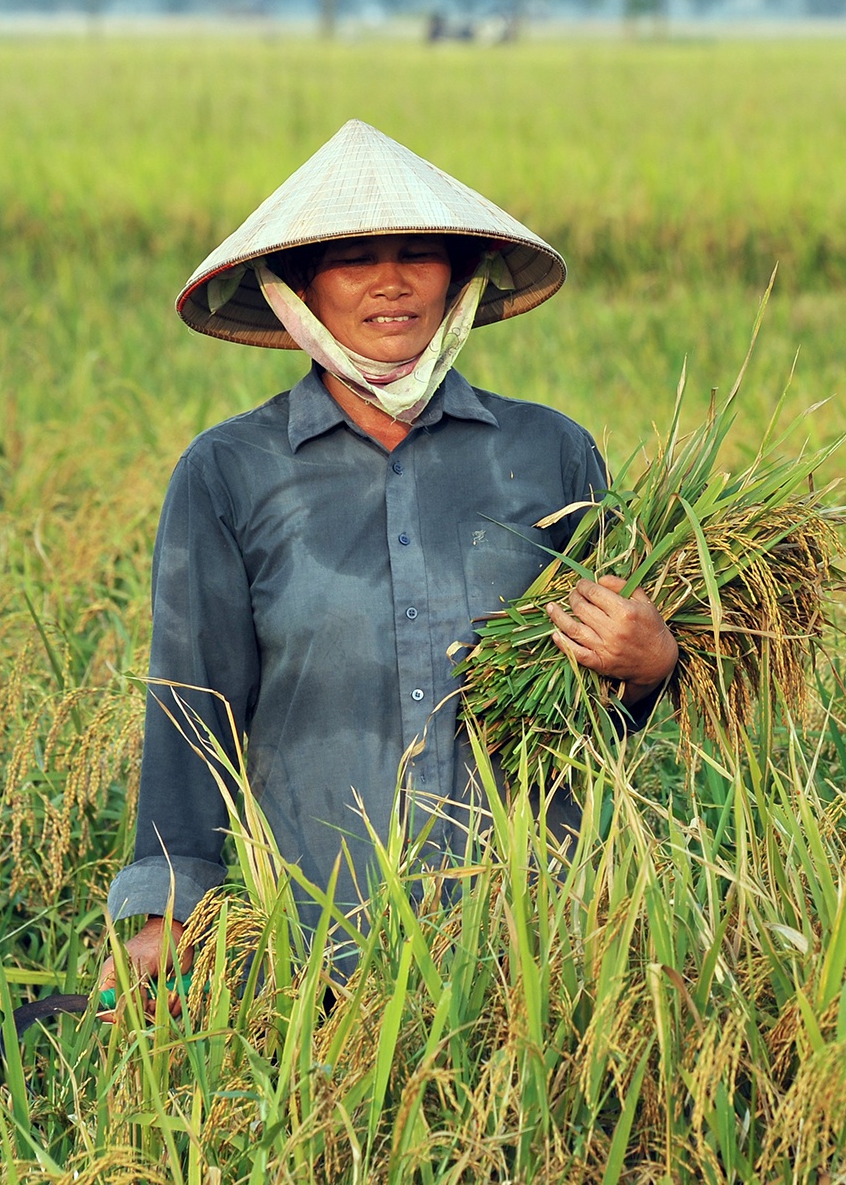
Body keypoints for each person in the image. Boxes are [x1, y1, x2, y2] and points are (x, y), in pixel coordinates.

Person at [96, 120, 680, 1002]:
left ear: (461, 278)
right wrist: (167, 913)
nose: (392, 282)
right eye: (353, 258)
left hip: (533, 938)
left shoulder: (550, 455)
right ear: (297, 288)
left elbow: (597, 704)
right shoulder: (230, 474)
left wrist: (651, 667)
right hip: (314, 946)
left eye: (418, 254)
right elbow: (193, 699)